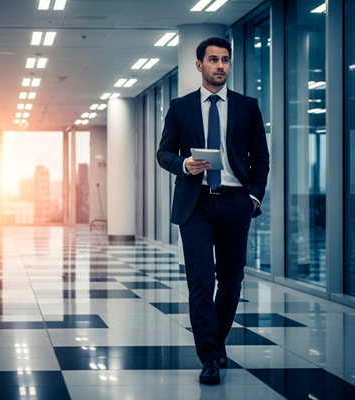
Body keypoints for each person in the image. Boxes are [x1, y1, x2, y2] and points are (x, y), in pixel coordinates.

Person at [155, 36, 269, 384]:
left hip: (236, 202)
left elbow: (260, 158)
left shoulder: (247, 106)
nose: (221, 65)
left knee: (231, 282)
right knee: (201, 283)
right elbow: (163, 153)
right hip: (197, 203)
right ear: (199, 65)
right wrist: (184, 163)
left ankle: (216, 343)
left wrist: (253, 197)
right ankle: (210, 358)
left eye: (225, 60)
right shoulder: (181, 106)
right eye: (214, 59)